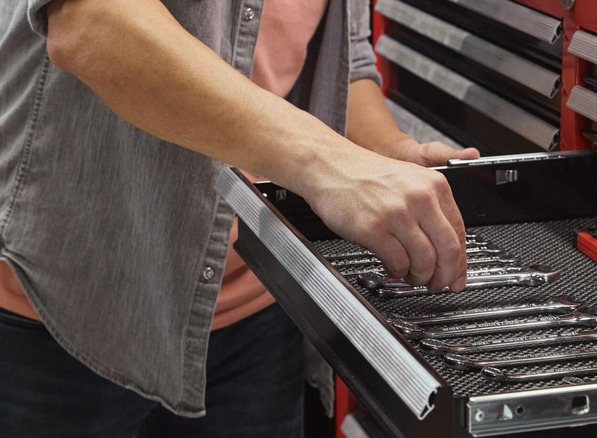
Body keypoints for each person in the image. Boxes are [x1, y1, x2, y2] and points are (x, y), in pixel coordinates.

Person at [0, 0, 480, 436]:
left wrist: (387, 153)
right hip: (70, 307)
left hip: (253, 309)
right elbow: (92, 21)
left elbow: (344, 63)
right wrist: (332, 164)